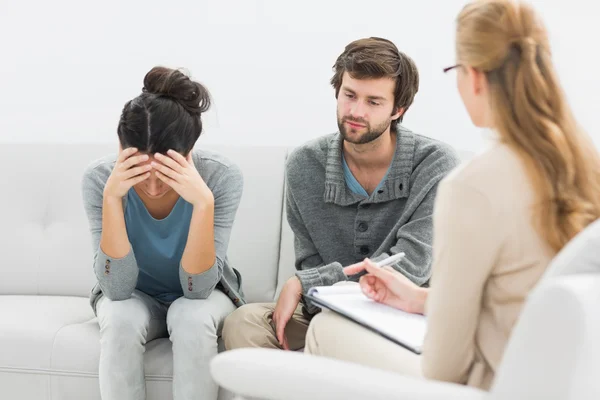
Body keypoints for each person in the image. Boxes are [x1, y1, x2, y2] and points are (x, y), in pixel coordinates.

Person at [302, 0, 600, 391]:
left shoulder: (472, 186)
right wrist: (420, 300)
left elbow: (444, 367)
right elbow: (522, 302)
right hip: (566, 386)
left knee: (326, 328)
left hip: (489, 385)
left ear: (474, 77)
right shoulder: (584, 164)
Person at [222, 37, 461, 351]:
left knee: (338, 332)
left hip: (403, 316)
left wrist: (309, 283)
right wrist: (311, 285)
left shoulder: (435, 164)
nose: (356, 111)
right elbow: (309, 264)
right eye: (349, 95)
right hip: (326, 310)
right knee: (244, 323)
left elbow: (412, 267)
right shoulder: (305, 165)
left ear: (397, 108)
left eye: (373, 102)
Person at [81, 66, 245, 400]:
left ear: (190, 151)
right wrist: (113, 198)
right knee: (119, 317)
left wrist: (203, 205)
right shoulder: (99, 180)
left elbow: (197, 290)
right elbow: (116, 288)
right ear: (121, 147)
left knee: (191, 316)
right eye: (141, 171)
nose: (153, 187)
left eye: (166, 172)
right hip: (135, 296)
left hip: (202, 296)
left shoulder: (220, 177)